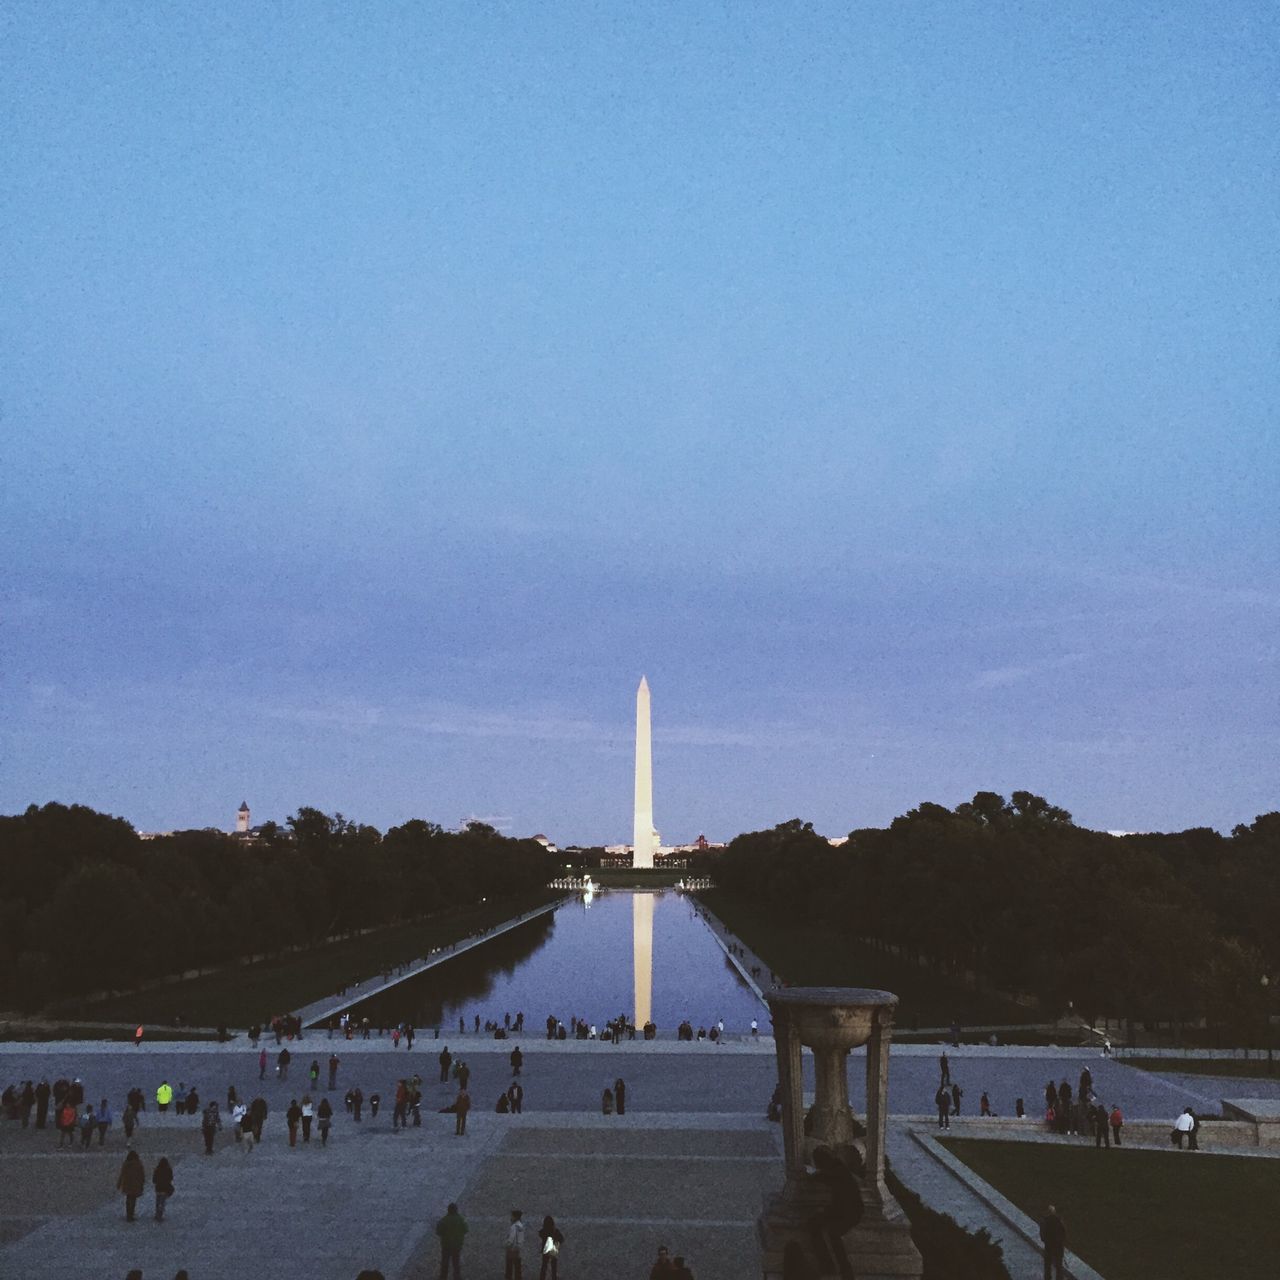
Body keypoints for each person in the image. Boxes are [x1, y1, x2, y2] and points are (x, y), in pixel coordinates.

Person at [808, 1146, 862, 1280]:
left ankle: (845, 1270)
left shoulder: (837, 1170)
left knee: (833, 1233)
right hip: (840, 1210)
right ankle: (827, 1264)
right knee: (814, 1224)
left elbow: (822, 1177)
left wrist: (812, 1175)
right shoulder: (836, 1167)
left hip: (851, 1213)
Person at [436, 1201, 468, 1280]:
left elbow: (438, 1232)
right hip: (457, 1245)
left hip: (446, 1245)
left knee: (445, 1262)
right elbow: (466, 1229)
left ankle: (443, 1277)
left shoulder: (444, 1220)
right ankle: (457, 1277)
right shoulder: (461, 1219)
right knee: (456, 1262)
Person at [116, 1149, 145, 1221]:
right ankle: (131, 1214)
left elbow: (122, 1174)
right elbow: (142, 1175)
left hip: (127, 1184)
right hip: (135, 1184)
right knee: (133, 1199)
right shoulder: (139, 1164)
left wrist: (119, 1184)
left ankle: (128, 1213)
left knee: (128, 1199)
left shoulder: (126, 1164)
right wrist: (142, 1184)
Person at [1040, 1204, 1066, 1280]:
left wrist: (1047, 1241)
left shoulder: (1044, 1221)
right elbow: (1064, 1233)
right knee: (1059, 1267)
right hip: (1058, 1247)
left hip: (1048, 1247)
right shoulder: (1059, 1220)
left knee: (1047, 1267)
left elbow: (1042, 1236)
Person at [537, 1214, 564, 1280]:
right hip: (554, 1247)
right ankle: (554, 1278)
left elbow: (540, 1234)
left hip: (546, 1248)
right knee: (553, 1265)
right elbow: (561, 1239)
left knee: (544, 1265)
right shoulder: (555, 1231)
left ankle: (542, 1278)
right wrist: (557, 1243)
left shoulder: (544, 1231)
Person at [153, 1155, 174, 1221]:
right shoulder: (169, 1170)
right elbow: (171, 1178)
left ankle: (157, 1214)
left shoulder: (157, 1169)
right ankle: (160, 1214)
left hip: (158, 1188)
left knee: (158, 1201)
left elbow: (154, 1179)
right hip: (165, 1188)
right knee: (162, 1202)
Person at [505, 1208, 525, 1279]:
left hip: (512, 1250)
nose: (511, 1218)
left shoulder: (514, 1227)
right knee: (517, 1269)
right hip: (518, 1250)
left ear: (515, 1217)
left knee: (509, 1269)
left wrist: (506, 1245)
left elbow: (511, 1239)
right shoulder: (521, 1226)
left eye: (512, 1216)